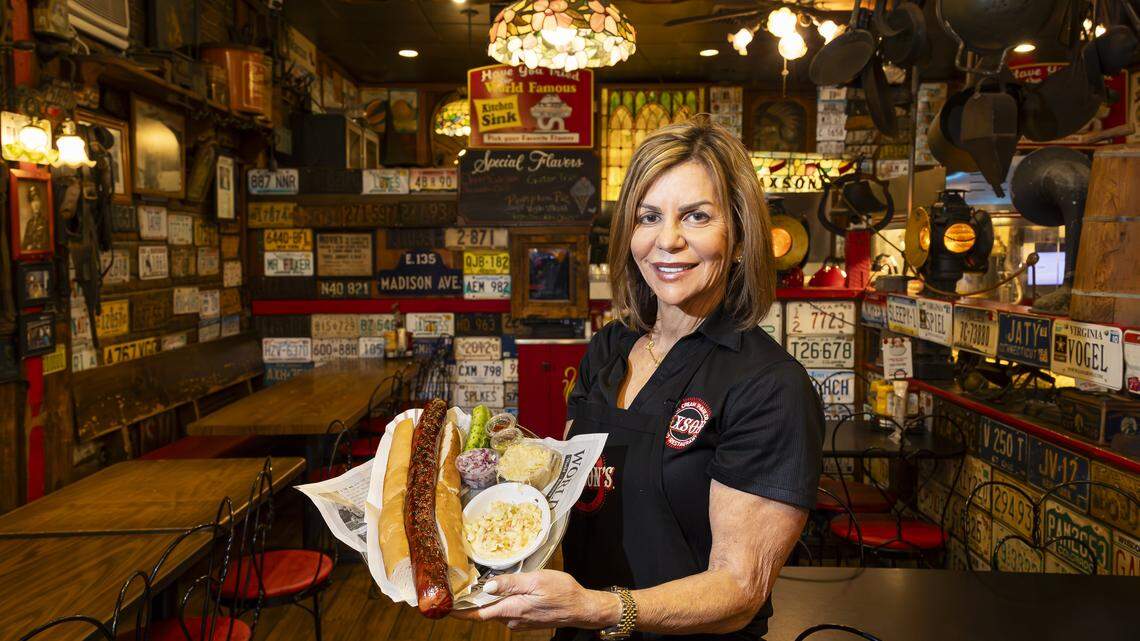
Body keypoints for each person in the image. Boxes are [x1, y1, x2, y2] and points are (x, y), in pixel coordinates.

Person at [456, 116, 824, 639]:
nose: (667, 240)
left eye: (696, 216)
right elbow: (577, 502)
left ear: (740, 238)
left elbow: (740, 590)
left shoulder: (769, 385)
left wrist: (600, 610)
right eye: (648, 216)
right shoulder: (610, 347)